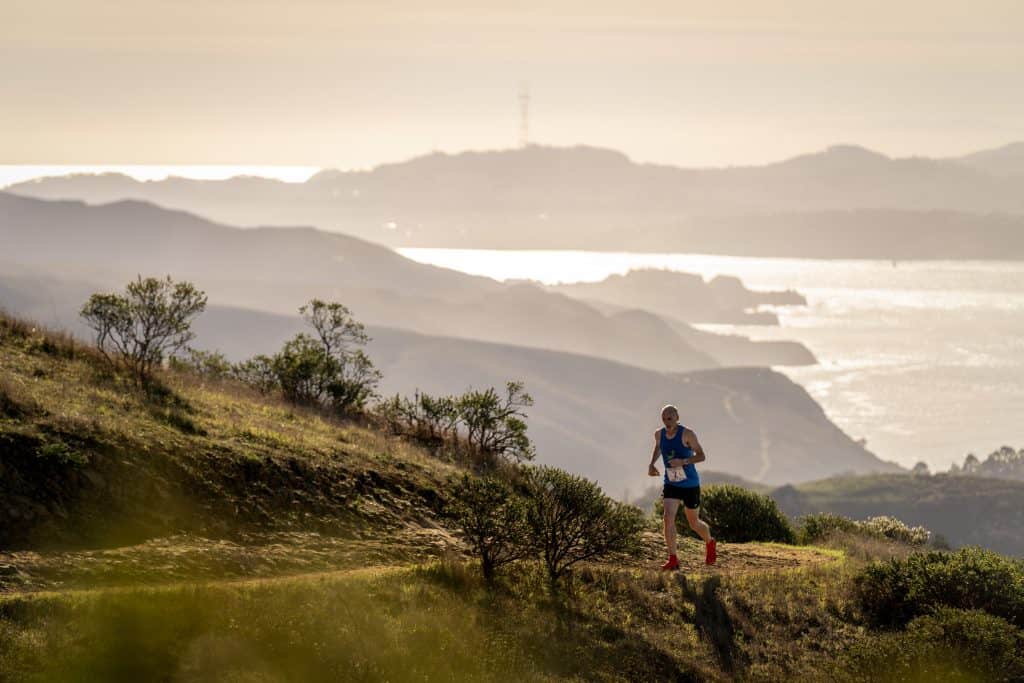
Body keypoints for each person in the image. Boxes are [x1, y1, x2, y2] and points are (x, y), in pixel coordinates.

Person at [647, 404, 716, 569]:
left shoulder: (687, 434)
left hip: (690, 484)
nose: (666, 421)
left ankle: (710, 542)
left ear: (677, 417)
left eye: (670, 418)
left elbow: (701, 456)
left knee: (694, 523)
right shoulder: (659, 434)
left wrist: (683, 461)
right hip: (671, 483)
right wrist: (651, 464)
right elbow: (658, 447)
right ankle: (673, 559)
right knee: (667, 517)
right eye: (664, 418)